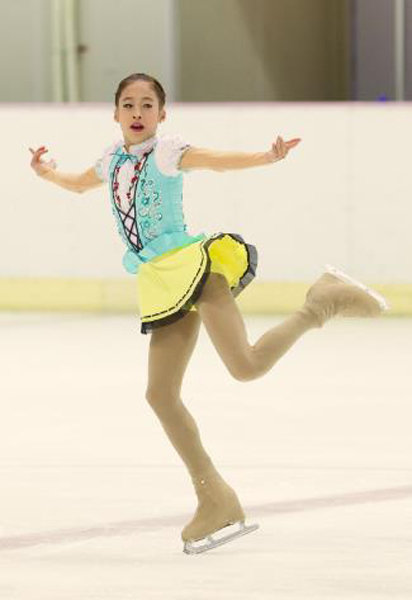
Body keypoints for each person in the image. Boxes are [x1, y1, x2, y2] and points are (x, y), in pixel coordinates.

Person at [29, 72, 388, 555]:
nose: (138, 112)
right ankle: (214, 496)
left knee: (246, 366)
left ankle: (321, 302)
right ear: (115, 113)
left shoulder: (167, 152)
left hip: (193, 265)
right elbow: (76, 185)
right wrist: (46, 170)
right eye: (129, 104)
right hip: (159, 280)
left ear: (162, 114)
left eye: (148, 104)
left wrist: (266, 156)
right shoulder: (111, 161)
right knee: (160, 395)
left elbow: (215, 161)